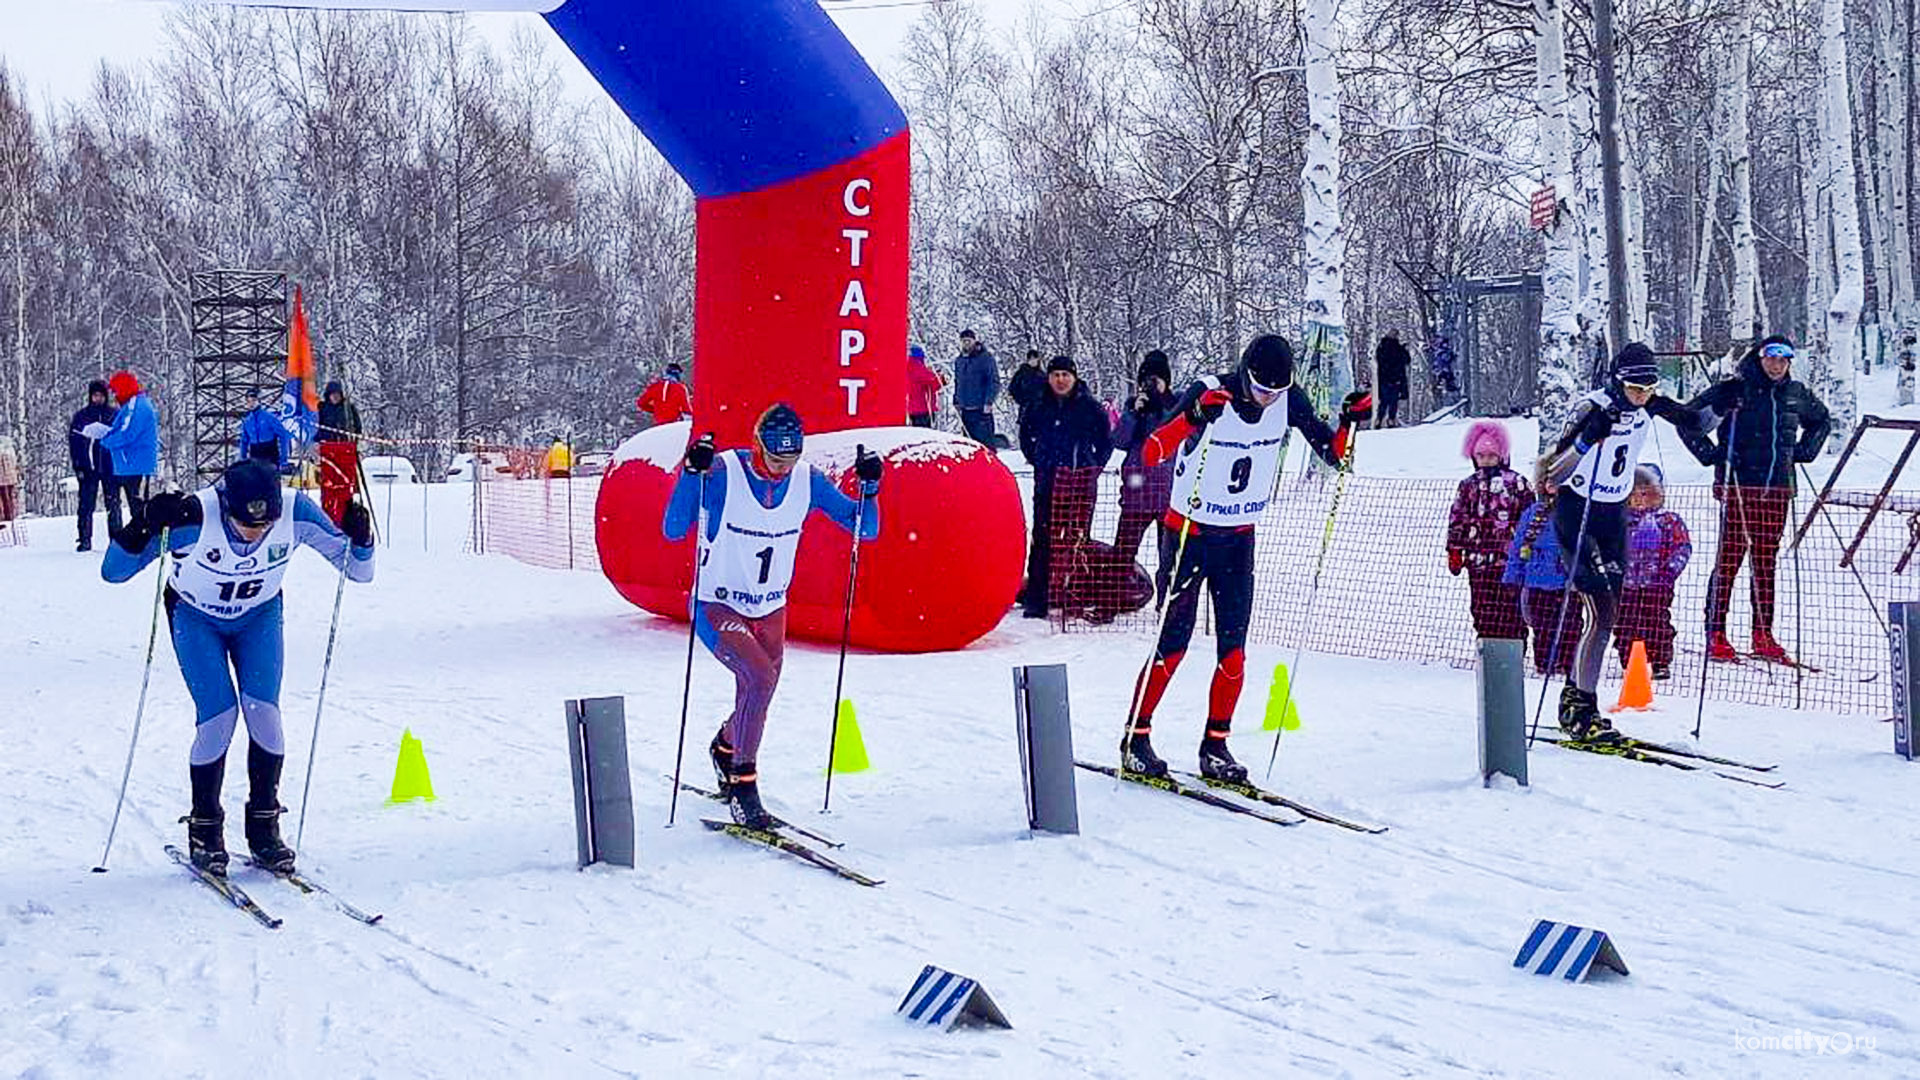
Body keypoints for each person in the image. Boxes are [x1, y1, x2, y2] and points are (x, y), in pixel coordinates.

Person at [101, 460, 375, 875]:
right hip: (196, 618)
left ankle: (265, 829)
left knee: (264, 714)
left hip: (258, 618)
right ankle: (205, 829)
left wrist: (362, 537)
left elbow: (359, 571)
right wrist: (143, 524)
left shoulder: (296, 511)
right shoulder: (194, 516)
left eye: (265, 527)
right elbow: (113, 572)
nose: (256, 534)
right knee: (219, 718)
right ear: (226, 505)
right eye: (245, 525)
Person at [1121, 334, 1370, 781]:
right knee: (1173, 644)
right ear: (1244, 375)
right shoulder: (1208, 391)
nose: (1267, 398)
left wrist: (1349, 422)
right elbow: (1151, 450)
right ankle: (1136, 737)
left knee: (1233, 651)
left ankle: (1215, 746)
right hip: (1188, 534)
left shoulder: (1288, 400)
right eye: (1260, 389)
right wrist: (1193, 418)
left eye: (1276, 391)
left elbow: (1336, 458)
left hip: (1238, 537)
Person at [662, 404, 882, 829]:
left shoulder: (807, 480)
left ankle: (727, 747)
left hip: (770, 607)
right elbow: (673, 528)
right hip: (717, 603)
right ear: (756, 445)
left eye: (791, 460)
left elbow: (864, 529)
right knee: (758, 680)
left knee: (758, 690)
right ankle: (744, 786)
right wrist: (691, 473)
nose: (782, 470)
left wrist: (871, 487)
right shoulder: (725, 472)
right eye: (775, 459)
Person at [1540, 342, 1701, 742]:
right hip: (1579, 511)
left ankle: (1575, 699)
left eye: (1649, 387)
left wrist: (1731, 398)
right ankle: (1582, 706)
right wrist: (1584, 442)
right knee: (1601, 612)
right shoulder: (1591, 408)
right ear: (1616, 381)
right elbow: (1550, 475)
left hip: (1615, 515)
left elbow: (1697, 422)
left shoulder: (1647, 406)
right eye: (1634, 388)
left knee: (1610, 612)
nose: (1642, 395)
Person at [1680, 335, 1831, 665]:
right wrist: (1710, 455)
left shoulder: (1795, 393)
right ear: (1759, 358)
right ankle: (1716, 632)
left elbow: (1821, 419)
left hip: (1777, 488)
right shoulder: (1735, 388)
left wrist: (1804, 452)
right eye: (1771, 358)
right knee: (1730, 559)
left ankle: (1763, 633)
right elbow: (1688, 419)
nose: (1777, 365)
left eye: (1784, 359)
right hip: (1739, 485)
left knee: (1766, 562)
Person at [1017, 356, 1112, 619]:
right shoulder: (1037, 405)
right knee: (1043, 540)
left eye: (1065, 375)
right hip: (1047, 482)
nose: (1060, 380)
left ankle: (1074, 596)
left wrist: (1091, 469)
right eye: (1056, 374)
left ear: (1074, 377)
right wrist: (1038, 459)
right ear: (1049, 378)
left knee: (1078, 541)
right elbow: (1025, 436)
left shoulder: (1090, 408)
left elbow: (1106, 442)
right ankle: (1037, 598)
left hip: (1080, 484)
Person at [1446, 420, 1531, 642]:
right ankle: (1487, 645)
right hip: (1477, 560)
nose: (1486, 460)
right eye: (1481, 456)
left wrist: (1528, 548)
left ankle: (1513, 646)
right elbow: (1457, 518)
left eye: (1491, 455)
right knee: (1482, 606)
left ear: (1502, 456)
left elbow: (1531, 518)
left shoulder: (1517, 483)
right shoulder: (1468, 485)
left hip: (1508, 560)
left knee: (1510, 608)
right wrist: (1454, 550)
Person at [1504, 467, 1583, 676]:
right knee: (1542, 625)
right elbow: (1519, 544)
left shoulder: (1579, 511)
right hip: (1538, 579)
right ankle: (1545, 662)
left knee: (1571, 625)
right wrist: (1513, 575)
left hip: (1569, 582)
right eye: (1550, 481)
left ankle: (1569, 661)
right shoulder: (1533, 513)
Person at [1615, 464, 1691, 679]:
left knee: (1656, 621)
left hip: (1658, 583)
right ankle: (1629, 659)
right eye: (1634, 494)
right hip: (1626, 584)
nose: (1639, 499)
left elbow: (1682, 547)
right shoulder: (1621, 520)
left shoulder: (1668, 520)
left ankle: (1660, 661)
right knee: (1626, 621)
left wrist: (1669, 571)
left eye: (1645, 493)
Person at [1111, 350, 1178, 571]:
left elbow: (1178, 435)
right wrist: (1133, 413)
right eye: (1146, 381)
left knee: (1170, 561)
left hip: (1169, 497)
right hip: (1136, 495)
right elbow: (1119, 440)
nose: (1150, 385)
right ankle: (1116, 597)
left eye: (1155, 380)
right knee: (1121, 556)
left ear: (1166, 382)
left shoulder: (1177, 406)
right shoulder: (1133, 406)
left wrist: (1162, 405)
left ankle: (1169, 601)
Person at [82, 370, 157, 526]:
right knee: (132, 507)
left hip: (133, 464)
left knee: (137, 510)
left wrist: (105, 440)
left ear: (124, 389)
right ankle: (135, 541)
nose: (115, 395)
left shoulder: (135, 406)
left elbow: (127, 434)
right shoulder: (134, 405)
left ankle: (141, 542)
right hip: (129, 464)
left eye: (116, 390)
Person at [69, 379, 120, 551]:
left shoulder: (113, 415)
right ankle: (84, 539)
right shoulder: (81, 416)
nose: (98, 399)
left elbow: (120, 438)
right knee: (86, 504)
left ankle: (116, 539)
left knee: (113, 504)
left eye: (101, 396)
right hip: (88, 467)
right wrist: (78, 466)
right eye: (95, 395)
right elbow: (74, 442)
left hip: (109, 466)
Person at [316, 380, 363, 528]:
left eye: (337, 394)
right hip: (328, 451)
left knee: (345, 485)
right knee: (329, 486)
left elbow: (357, 427)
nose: (334, 397)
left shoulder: (348, 409)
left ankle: (346, 516)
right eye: (332, 395)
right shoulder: (322, 408)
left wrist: (353, 440)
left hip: (345, 450)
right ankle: (328, 516)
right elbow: (317, 428)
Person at [952, 330, 1000, 445]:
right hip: (965, 409)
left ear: (974, 341)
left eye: (969, 341)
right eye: (964, 341)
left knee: (985, 444)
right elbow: (958, 381)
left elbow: (993, 381)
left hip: (981, 409)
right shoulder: (960, 361)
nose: (966, 344)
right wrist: (956, 400)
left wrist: (989, 401)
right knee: (969, 445)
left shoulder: (985, 358)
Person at [237, 388, 290, 473]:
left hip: (270, 453)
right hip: (255, 454)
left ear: (259, 401)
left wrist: (283, 459)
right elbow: (244, 441)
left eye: (253, 400)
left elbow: (283, 436)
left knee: (269, 481)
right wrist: (242, 459)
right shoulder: (247, 421)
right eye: (248, 401)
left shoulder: (269, 418)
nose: (251, 404)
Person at [1374, 332, 1412, 427]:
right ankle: (1391, 419)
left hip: (1384, 378)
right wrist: (1404, 350)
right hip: (1396, 378)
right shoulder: (1398, 348)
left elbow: (1379, 360)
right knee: (1393, 400)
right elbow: (1406, 360)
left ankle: (1379, 419)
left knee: (1384, 400)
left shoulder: (1381, 347)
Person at [905, 345, 944, 428]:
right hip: (924, 408)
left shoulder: (907, 368)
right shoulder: (919, 369)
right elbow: (934, 383)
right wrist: (940, 377)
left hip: (912, 408)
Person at [1008, 348, 1047, 429]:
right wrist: (1021, 399)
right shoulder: (1022, 373)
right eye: (1030, 359)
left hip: (1040, 410)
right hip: (1026, 409)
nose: (1033, 361)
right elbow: (1013, 388)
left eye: (1034, 358)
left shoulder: (1042, 375)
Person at [0, 436, 18, 541]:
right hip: (9, 479)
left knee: (6, 498)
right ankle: (9, 516)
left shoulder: (5, 451)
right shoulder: (9, 451)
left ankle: (8, 516)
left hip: (6, 479)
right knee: (7, 498)